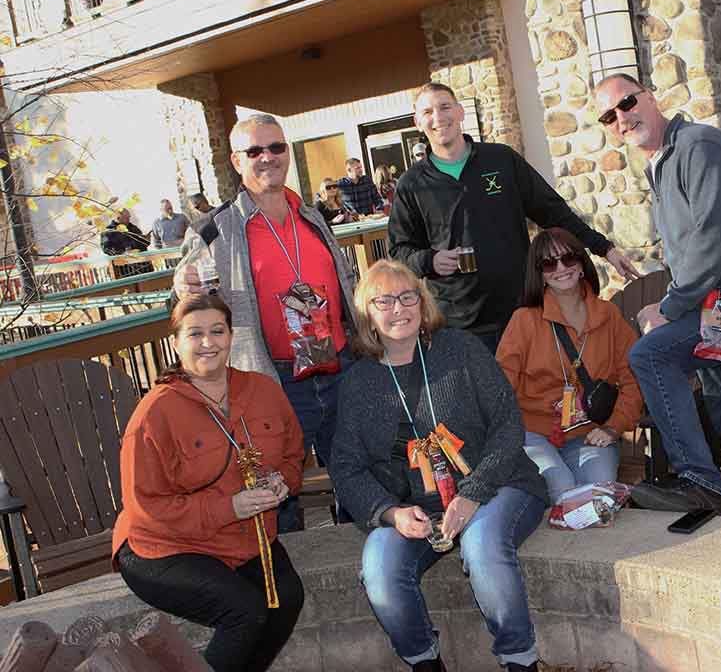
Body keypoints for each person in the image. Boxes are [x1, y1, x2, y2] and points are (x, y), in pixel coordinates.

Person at [329, 259, 548, 672]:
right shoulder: (358, 383)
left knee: (482, 548)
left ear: (423, 301)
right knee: (380, 568)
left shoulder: (460, 349)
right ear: (367, 315)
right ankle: (424, 662)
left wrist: (472, 494)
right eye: (384, 301)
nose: (399, 308)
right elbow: (346, 467)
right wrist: (389, 513)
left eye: (407, 296)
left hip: (496, 485)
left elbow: (508, 423)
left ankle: (520, 660)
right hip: (415, 508)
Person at [593, 73, 721, 519]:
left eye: (627, 103)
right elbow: (689, 252)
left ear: (650, 97)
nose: (621, 118)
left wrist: (669, 308)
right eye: (609, 116)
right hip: (719, 301)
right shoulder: (662, 163)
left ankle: (699, 482)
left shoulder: (699, 147)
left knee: (651, 355)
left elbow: (715, 240)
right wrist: (673, 300)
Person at [173, 113, 359, 532]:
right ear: (237, 161)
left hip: (339, 367)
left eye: (276, 147)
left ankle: (361, 553)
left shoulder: (311, 216)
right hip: (272, 379)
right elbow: (184, 298)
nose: (267, 157)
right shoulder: (215, 228)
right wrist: (181, 286)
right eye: (254, 150)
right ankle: (286, 567)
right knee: (278, 490)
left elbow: (344, 284)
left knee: (355, 473)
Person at [112, 294, 305, 672]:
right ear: (176, 343)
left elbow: (293, 454)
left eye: (217, 331)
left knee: (286, 598)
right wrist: (228, 507)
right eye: (194, 333)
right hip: (165, 546)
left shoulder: (263, 390)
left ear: (231, 336)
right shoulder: (154, 413)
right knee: (244, 610)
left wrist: (283, 481)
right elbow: (146, 508)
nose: (208, 342)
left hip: (244, 538)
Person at [389, 82, 640, 353]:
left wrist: (605, 248)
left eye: (445, 107)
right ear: (417, 122)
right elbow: (399, 251)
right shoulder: (412, 184)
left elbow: (554, 212)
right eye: (427, 112)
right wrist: (431, 260)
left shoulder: (500, 159)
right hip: (459, 324)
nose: (438, 117)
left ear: (460, 112)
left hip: (522, 309)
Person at [497, 228, 643, 502]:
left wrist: (613, 427)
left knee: (598, 498)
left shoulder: (609, 315)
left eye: (568, 258)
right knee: (562, 488)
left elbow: (633, 378)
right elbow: (501, 387)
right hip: (534, 434)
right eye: (549, 263)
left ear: (581, 263)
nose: (561, 268)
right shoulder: (524, 320)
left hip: (590, 433)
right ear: (539, 273)